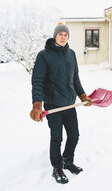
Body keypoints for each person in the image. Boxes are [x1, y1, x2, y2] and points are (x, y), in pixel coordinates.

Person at [30, 22, 93, 184]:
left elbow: (75, 78)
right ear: (54, 36)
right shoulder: (44, 55)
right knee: (56, 138)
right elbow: (38, 81)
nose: (63, 37)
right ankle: (57, 167)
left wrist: (83, 96)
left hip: (69, 104)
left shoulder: (71, 54)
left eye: (65, 35)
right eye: (60, 34)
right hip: (53, 105)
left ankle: (67, 160)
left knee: (74, 135)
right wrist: (37, 104)